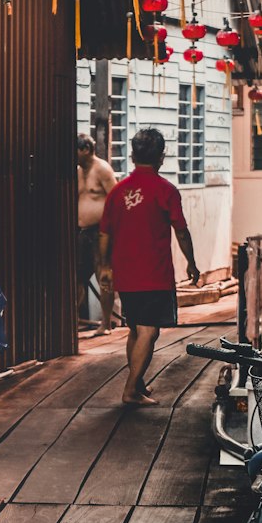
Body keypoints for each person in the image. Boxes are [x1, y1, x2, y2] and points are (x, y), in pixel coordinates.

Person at [98, 127, 200, 406]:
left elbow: (104, 233)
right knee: (149, 331)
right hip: (154, 273)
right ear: (161, 157)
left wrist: (105, 267)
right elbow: (181, 230)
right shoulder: (165, 190)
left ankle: (138, 382)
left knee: (135, 329)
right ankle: (131, 390)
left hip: (126, 273)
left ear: (132, 155)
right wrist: (191, 263)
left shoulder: (117, 192)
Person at [77, 133, 118, 335]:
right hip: (82, 232)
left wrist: (111, 231)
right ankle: (74, 321)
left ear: (85, 149)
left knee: (104, 275)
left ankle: (106, 323)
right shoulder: (77, 172)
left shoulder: (102, 169)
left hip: (100, 232)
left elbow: (115, 198)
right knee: (76, 277)